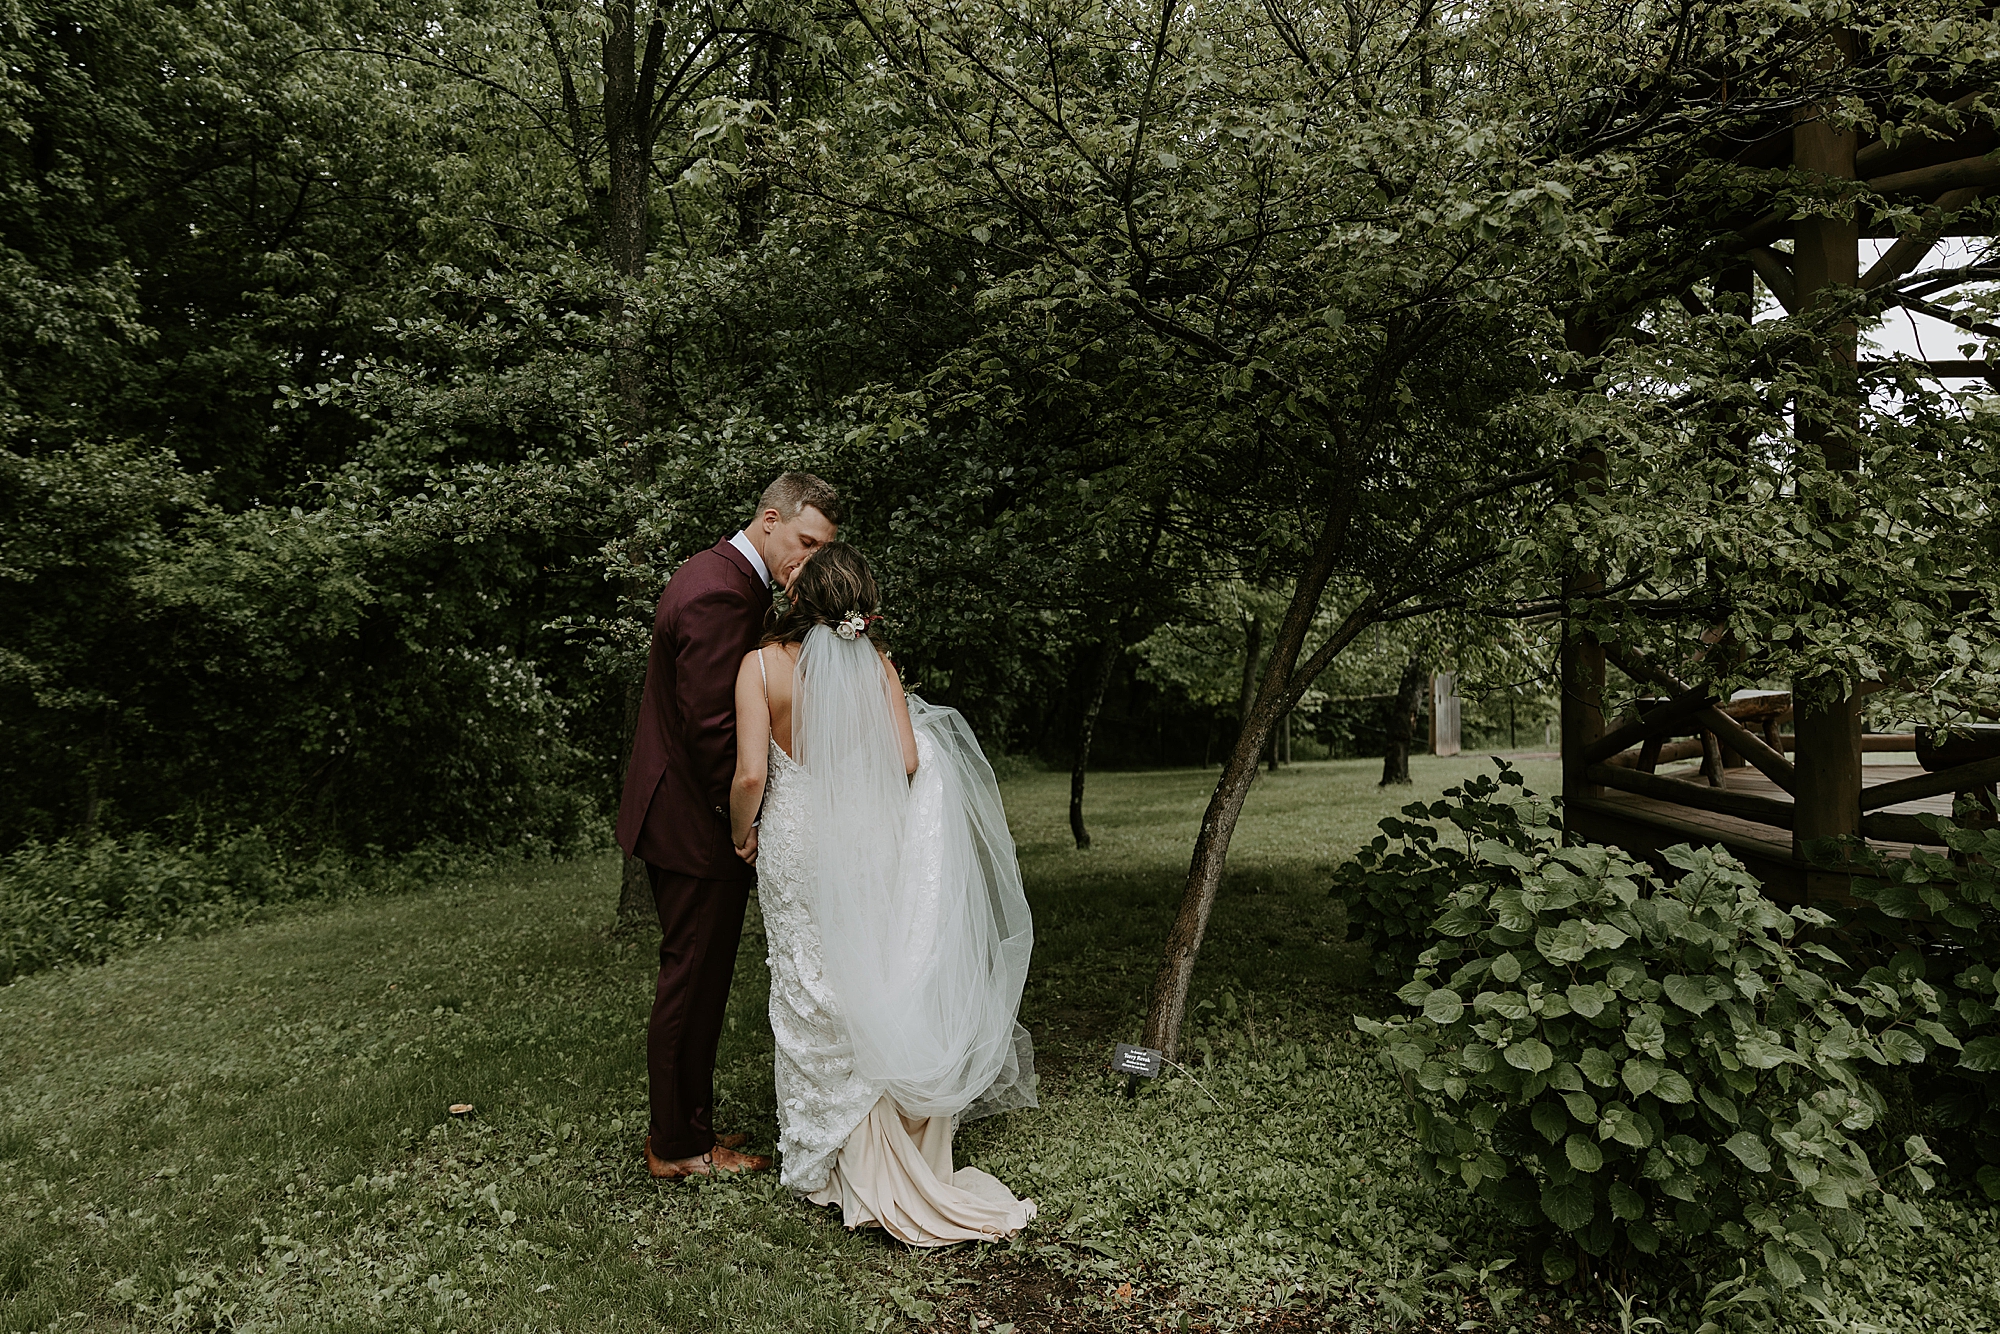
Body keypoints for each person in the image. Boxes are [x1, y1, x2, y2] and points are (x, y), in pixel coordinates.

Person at [729, 542, 1038, 1245]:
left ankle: (827, 1156)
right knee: (869, 971)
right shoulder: (877, 666)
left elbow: (751, 776)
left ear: (800, 600)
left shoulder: (760, 666)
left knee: (807, 984)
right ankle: (884, 1143)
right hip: (866, 839)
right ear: (859, 610)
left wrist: (740, 833)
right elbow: (903, 759)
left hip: (797, 843)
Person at [616, 472, 840, 1180]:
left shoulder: (723, 578)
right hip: (693, 819)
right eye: (804, 542)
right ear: (770, 519)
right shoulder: (719, 591)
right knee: (693, 979)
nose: (807, 561)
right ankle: (678, 1146)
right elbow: (715, 732)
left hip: (683, 811)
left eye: (821, 549)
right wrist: (747, 825)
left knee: (696, 976)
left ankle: (682, 1129)